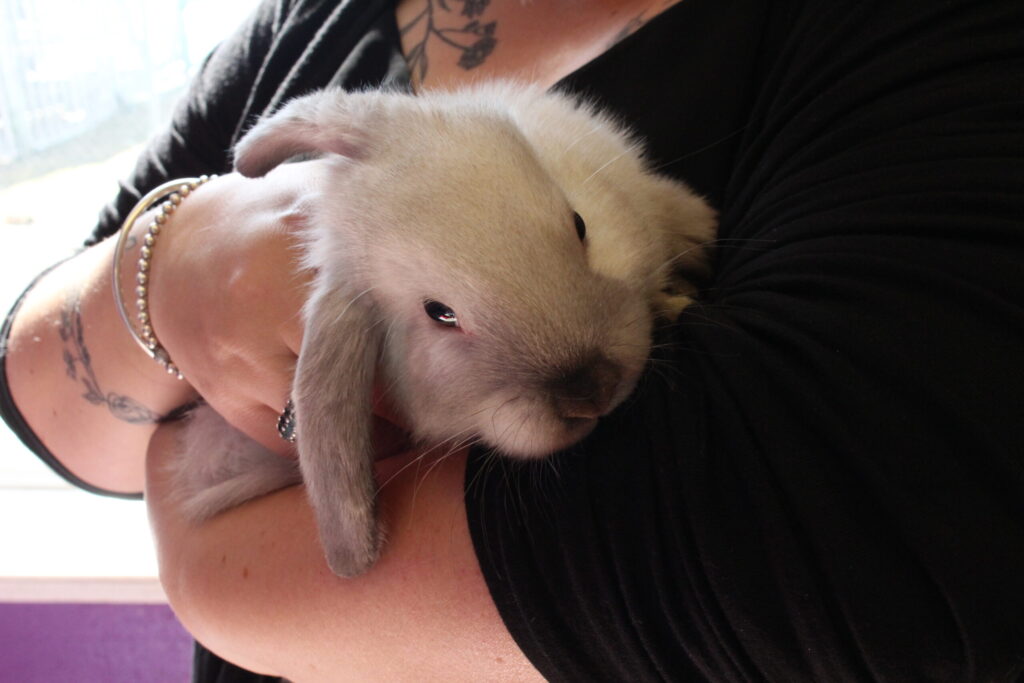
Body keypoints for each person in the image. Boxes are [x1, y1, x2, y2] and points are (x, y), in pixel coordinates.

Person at [2, 0, 1023, 680]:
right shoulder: (305, 24)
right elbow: (45, 403)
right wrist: (169, 264)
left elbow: (861, 540)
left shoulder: (905, 33)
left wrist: (213, 576)